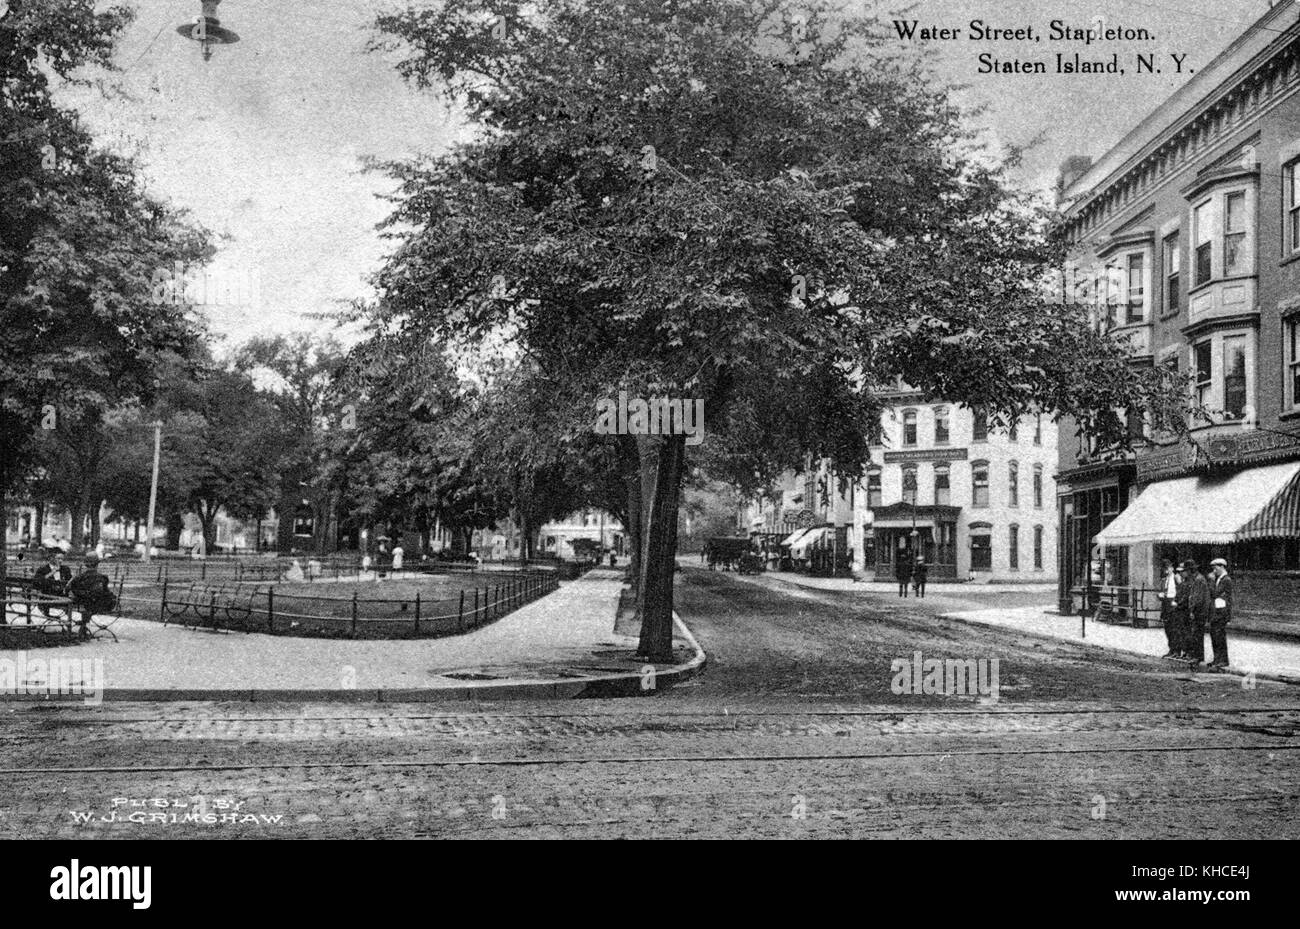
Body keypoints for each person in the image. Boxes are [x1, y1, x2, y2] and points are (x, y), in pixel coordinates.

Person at [68, 553, 113, 640]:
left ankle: (83, 626)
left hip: (84, 604)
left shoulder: (79, 577)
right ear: (97, 565)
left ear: (86, 565)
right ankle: (84, 627)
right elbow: (106, 592)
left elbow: (73, 590)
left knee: (85, 604)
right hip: (101, 605)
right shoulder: (103, 578)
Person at [1176, 559, 1211, 666]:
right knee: (1195, 634)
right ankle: (1196, 656)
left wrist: (1192, 610)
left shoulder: (1199, 580)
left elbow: (1197, 598)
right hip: (1198, 611)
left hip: (1199, 612)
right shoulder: (1197, 579)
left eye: (1188, 570)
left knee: (1198, 635)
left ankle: (1199, 657)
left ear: (1191, 570)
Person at [1208, 558, 1233, 669]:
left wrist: (1211, 581)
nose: (1214, 571)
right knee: (1215, 636)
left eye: (1216, 568)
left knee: (1219, 636)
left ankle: (1222, 660)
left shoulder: (1226, 580)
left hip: (1221, 613)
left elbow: (1215, 593)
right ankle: (1217, 659)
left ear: (1222, 567)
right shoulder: (1220, 579)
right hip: (1216, 611)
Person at [1157, 558, 1183, 659]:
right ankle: (1171, 649)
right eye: (1165, 569)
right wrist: (1160, 595)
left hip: (1174, 603)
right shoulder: (1164, 580)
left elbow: (1181, 590)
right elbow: (1161, 591)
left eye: (1168, 568)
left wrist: (1177, 601)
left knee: (1175, 628)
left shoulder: (1177, 578)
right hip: (1166, 604)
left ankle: (1177, 650)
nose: (1166, 571)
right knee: (1168, 628)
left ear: (1172, 568)